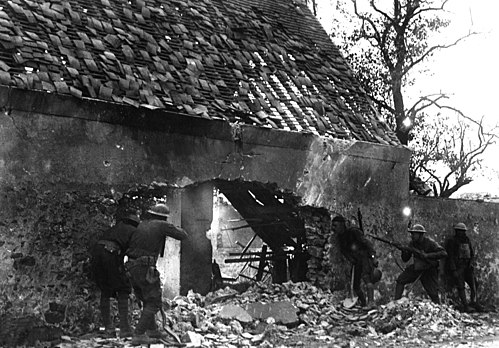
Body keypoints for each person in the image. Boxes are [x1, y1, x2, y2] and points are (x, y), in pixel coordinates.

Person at [125, 203, 188, 345]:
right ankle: (139, 334)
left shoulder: (142, 225)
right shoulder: (161, 225)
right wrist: (169, 227)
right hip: (145, 267)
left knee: (147, 299)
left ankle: (152, 330)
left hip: (132, 267)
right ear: (163, 217)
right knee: (154, 301)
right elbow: (183, 235)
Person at [91, 213, 140, 338]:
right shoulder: (134, 231)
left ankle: (109, 329)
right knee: (123, 289)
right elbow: (133, 253)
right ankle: (125, 328)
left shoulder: (116, 228)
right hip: (111, 253)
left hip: (97, 252)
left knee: (105, 290)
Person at [332, 215, 379, 308]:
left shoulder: (354, 232)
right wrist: (351, 259)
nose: (334, 228)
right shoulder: (340, 238)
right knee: (355, 285)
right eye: (333, 226)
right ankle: (363, 304)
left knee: (367, 279)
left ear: (342, 225)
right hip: (356, 261)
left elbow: (367, 243)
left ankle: (371, 303)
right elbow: (343, 251)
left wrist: (373, 257)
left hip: (364, 257)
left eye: (335, 225)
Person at [394, 224, 447, 304]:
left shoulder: (430, 242)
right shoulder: (412, 243)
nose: (412, 236)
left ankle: (439, 309)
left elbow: (443, 253)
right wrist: (403, 250)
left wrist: (427, 255)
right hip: (417, 267)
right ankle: (396, 303)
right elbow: (405, 259)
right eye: (412, 234)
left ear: (421, 234)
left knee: (433, 293)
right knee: (400, 280)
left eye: (414, 234)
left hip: (429, 269)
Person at [445, 222, 480, 312]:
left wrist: (471, 263)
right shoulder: (452, 241)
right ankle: (465, 306)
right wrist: (453, 270)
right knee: (461, 286)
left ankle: (474, 302)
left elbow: (471, 253)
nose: (461, 233)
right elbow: (450, 256)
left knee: (474, 284)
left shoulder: (466, 240)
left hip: (467, 266)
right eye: (459, 231)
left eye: (463, 231)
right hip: (458, 267)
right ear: (456, 231)